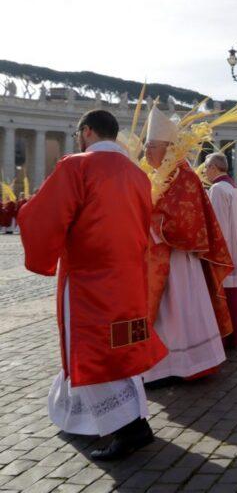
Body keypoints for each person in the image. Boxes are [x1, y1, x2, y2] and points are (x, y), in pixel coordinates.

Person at [18, 109, 167, 460]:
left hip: (90, 280)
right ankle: (84, 417)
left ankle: (130, 428)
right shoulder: (137, 174)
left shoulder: (77, 166)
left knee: (92, 350)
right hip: (129, 278)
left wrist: (27, 217)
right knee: (120, 349)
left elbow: (44, 216)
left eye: (77, 134)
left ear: (86, 131)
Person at [141, 107, 233, 385]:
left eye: (151, 146)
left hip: (178, 259)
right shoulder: (158, 175)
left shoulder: (184, 177)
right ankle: (160, 365)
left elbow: (187, 219)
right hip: (156, 257)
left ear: (167, 148)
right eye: (146, 146)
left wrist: (150, 221)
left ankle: (183, 364)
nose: (145, 151)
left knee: (178, 309)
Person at [204, 152, 237, 349]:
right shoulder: (232, 187)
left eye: (206, 167)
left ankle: (225, 337)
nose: (205, 172)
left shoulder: (217, 189)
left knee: (223, 295)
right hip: (234, 248)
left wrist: (214, 252)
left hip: (223, 250)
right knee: (232, 294)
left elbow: (218, 224)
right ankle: (233, 336)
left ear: (214, 167)